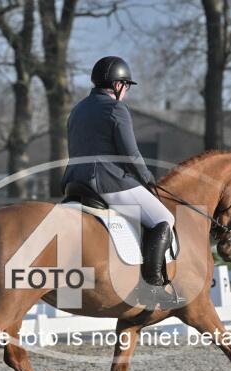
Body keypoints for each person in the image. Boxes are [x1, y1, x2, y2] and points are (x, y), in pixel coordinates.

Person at [61, 56, 181, 307]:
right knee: (164, 218)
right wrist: (147, 179)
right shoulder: (116, 109)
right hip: (107, 182)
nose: (126, 92)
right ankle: (152, 286)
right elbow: (130, 153)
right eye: (126, 86)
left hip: (74, 181)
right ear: (117, 85)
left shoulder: (78, 109)